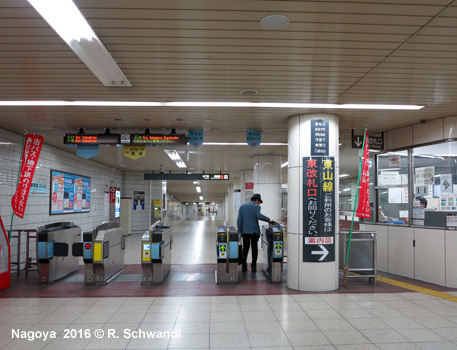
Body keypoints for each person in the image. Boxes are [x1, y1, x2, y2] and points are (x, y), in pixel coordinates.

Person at [237, 193, 274, 272]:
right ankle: (253, 266)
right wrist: (268, 220)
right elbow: (259, 216)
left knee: (245, 248)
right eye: (259, 202)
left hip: (245, 232)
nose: (259, 203)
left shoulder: (242, 207)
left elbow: (239, 219)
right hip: (254, 232)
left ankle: (244, 266)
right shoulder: (257, 207)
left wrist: (239, 230)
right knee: (254, 249)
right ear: (257, 200)